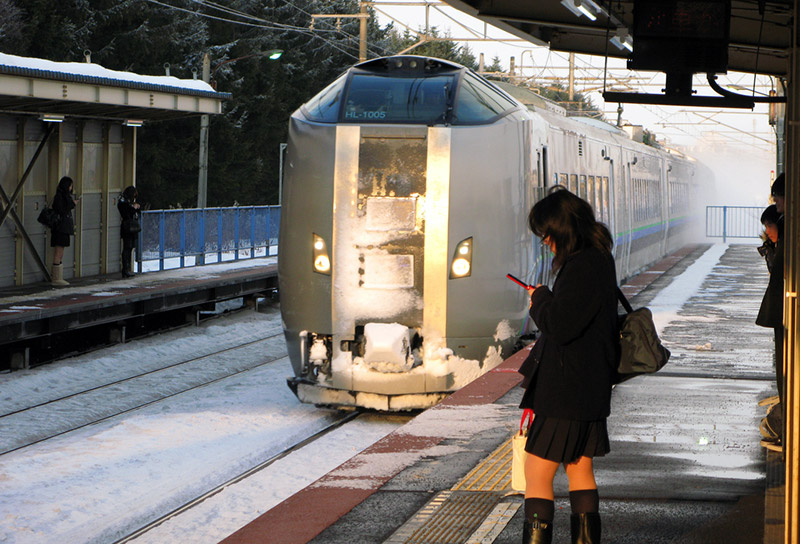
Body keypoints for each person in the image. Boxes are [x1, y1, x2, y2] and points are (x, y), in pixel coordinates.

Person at [518, 188, 617, 544]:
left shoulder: (582, 266)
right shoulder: (598, 257)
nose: (545, 241)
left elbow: (560, 326)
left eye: (547, 233)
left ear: (562, 229)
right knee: (579, 467)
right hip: (588, 385)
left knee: (537, 472)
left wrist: (540, 298)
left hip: (566, 390)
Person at [756, 174, 785, 452]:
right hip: (782, 311)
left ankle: (781, 425)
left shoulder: (787, 229)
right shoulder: (780, 234)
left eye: (777, 197)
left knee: (785, 371)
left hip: (784, 311)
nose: (776, 203)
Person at [50, 176, 78, 286]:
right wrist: (72, 204)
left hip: (63, 227)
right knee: (58, 251)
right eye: (70, 186)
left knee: (61, 251)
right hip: (60, 228)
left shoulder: (64, 196)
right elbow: (61, 210)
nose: (71, 188)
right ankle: (56, 277)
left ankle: (59, 276)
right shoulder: (59, 197)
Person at [117, 186, 141, 278]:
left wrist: (137, 207)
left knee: (130, 248)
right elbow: (126, 213)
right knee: (127, 248)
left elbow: (137, 211)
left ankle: (127, 268)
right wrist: (133, 208)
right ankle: (125, 269)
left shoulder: (130, 203)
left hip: (132, 226)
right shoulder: (123, 202)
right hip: (127, 227)